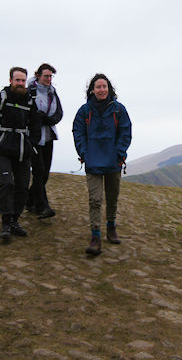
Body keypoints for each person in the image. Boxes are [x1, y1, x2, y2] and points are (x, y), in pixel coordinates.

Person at [72, 73, 132, 256]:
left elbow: (125, 132)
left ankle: (111, 227)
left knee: (112, 197)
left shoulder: (119, 110)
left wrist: (119, 153)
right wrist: (84, 153)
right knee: (95, 200)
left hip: (113, 162)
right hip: (93, 162)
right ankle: (95, 236)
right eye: (98, 87)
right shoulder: (84, 111)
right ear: (92, 90)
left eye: (104, 86)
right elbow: (78, 132)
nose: (102, 89)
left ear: (109, 88)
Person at [0, 67, 41, 243]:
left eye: (23, 80)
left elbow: (36, 125)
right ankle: (6, 222)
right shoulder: (1, 98)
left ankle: (15, 219)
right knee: (7, 184)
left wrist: (32, 142)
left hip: (24, 149)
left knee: (23, 186)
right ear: (10, 81)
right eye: (17, 80)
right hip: (5, 149)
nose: (21, 84)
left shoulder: (30, 101)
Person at [25, 63, 63, 219]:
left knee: (45, 173)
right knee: (39, 171)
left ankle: (29, 201)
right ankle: (43, 207)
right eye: (46, 76)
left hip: (48, 136)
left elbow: (59, 113)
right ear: (38, 76)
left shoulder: (53, 93)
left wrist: (48, 119)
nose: (49, 79)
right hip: (33, 137)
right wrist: (37, 119)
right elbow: (27, 112)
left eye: (50, 76)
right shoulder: (30, 92)